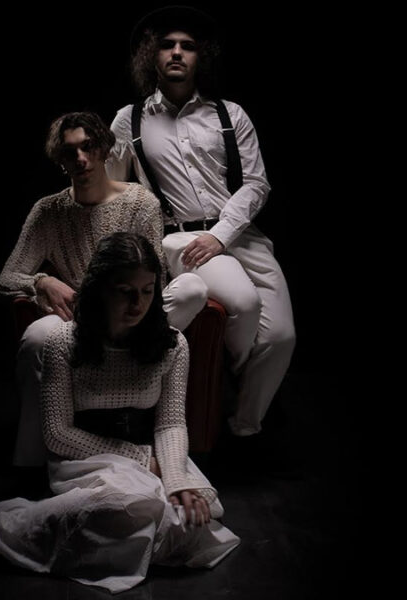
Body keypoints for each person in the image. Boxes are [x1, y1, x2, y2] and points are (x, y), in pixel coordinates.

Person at [0, 232, 239, 593]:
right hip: (84, 458)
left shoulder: (172, 343)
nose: (138, 303)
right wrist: (142, 460)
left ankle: (86, 534)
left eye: (147, 291)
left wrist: (176, 479)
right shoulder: (63, 342)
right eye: (125, 291)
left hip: (149, 454)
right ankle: (3, 538)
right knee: (129, 506)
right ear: (101, 289)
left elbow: (170, 423)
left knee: (192, 518)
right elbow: (58, 434)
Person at [106, 6, 296, 440]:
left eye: (187, 46)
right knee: (243, 304)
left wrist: (220, 235)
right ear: (152, 55)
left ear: (200, 57)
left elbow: (256, 184)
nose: (177, 52)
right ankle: (244, 408)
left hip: (239, 234)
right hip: (180, 239)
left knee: (281, 336)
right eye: (167, 45)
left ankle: (243, 424)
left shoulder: (230, 114)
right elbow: (115, 192)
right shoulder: (129, 120)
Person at [0, 111, 207, 467]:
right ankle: (34, 461)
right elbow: (6, 278)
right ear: (61, 161)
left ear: (105, 150)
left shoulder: (140, 202)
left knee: (192, 289)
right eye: (70, 152)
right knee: (36, 338)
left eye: (89, 147)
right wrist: (41, 281)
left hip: (137, 316)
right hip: (79, 323)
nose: (81, 158)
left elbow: (153, 278)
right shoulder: (49, 211)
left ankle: (140, 371)